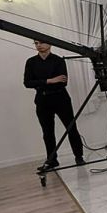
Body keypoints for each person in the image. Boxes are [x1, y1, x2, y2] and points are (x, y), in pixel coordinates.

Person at [23, 39, 84, 168]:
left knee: (71, 128)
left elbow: (63, 82)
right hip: (42, 100)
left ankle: (79, 156)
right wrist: (49, 80)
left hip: (61, 98)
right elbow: (27, 83)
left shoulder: (58, 60)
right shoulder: (31, 62)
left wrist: (40, 82)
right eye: (36, 43)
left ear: (49, 44)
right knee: (47, 132)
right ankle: (52, 160)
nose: (38, 45)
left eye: (41, 42)